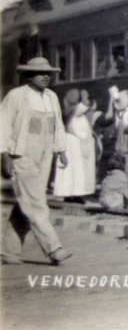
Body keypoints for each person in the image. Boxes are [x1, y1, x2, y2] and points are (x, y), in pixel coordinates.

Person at [0, 57, 72, 265]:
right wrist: (4, 155)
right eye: (41, 74)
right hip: (21, 154)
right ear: (29, 76)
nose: (46, 77)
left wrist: (61, 150)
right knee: (35, 203)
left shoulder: (51, 97)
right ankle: (54, 248)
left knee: (29, 201)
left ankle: (9, 251)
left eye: (49, 74)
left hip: (45, 153)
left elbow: (58, 124)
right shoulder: (16, 96)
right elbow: (3, 125)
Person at [54, 89, 96, 203]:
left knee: (76, 170)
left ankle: (75, 193)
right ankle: (71, 194)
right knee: (75, 169)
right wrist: (84, 95)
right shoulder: (74, 111)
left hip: (75, 143)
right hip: (73, 144)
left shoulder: (77, 113)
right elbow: (86, 105)